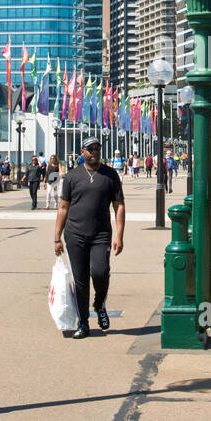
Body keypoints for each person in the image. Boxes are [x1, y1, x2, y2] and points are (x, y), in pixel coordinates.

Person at [54, 136, 125, 339]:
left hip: (101, 234)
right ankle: (83, 323)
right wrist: (57, 237)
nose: (94, 152)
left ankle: (99, 303)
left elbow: (119, 206)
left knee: (100, 272)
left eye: (97, 148)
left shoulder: (110, 175)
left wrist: (119, 236)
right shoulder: (72, 176)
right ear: (82, 152)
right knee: (80, 281)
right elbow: (63, 207)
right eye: (90, 149)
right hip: (74, 234)